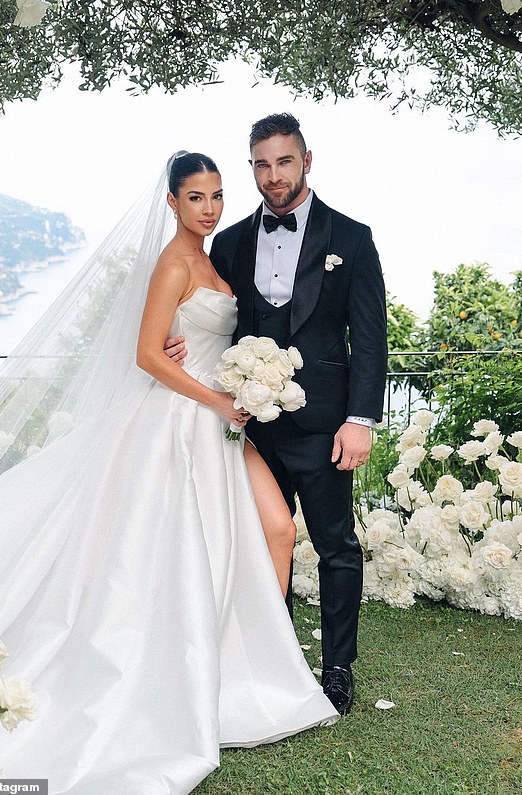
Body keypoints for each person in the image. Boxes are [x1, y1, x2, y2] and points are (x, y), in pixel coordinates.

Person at [0, 152, 338, 794]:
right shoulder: (174, 262)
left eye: (216, 196)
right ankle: (192, 680)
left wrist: (240, 382)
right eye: (195, 198)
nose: (209, 208)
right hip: (182, 423)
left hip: (219, 420)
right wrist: (215, 396)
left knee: (276, 531)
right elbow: (147, 354)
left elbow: (203, 338)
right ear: (172, 203)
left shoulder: (215, 257)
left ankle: (253, 667)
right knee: (182, 557)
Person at [165, 115, 388, 715]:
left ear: (306, 161)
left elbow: (369, 341)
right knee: (260, 539)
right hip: (246, 429)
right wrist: (174, 342)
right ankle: (274, 658)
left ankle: (338, 670)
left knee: (336, 546)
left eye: (283, 162)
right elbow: (210, 313)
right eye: (261, 165)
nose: (273, 176)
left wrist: (360, 419)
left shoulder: (353, 238)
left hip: (324, 428)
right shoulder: (231, 241)